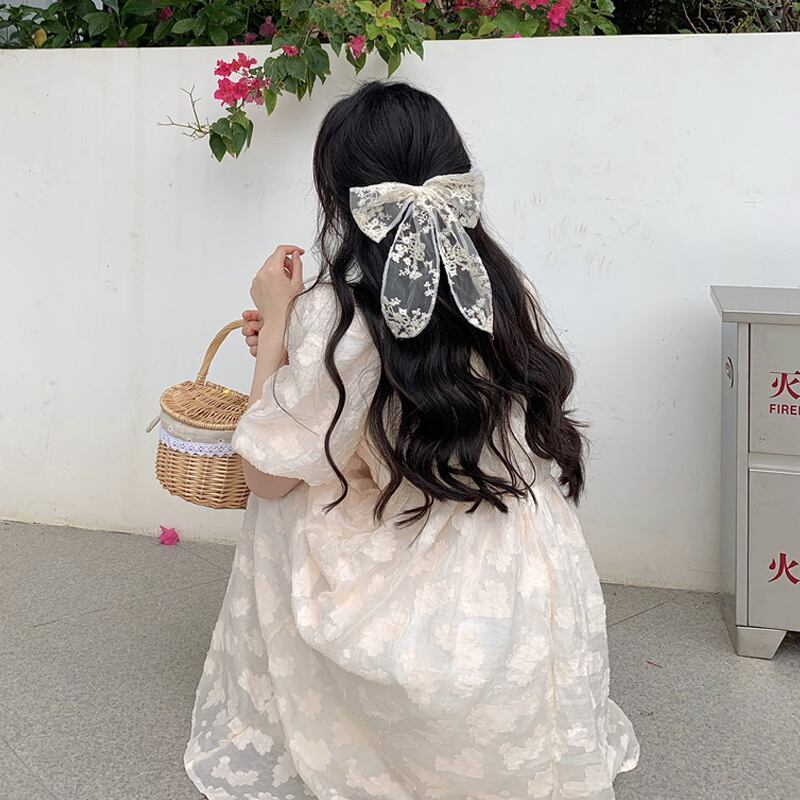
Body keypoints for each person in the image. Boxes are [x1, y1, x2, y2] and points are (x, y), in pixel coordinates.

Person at [184, 80, 639, 800]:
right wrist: (297, 349)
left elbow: (264, 475)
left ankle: (311, 712)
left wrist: (278, 330)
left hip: (428, 596)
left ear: (342, 198)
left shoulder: (336, 312)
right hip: (527, 587)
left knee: (279, 493)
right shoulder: (496, 285)